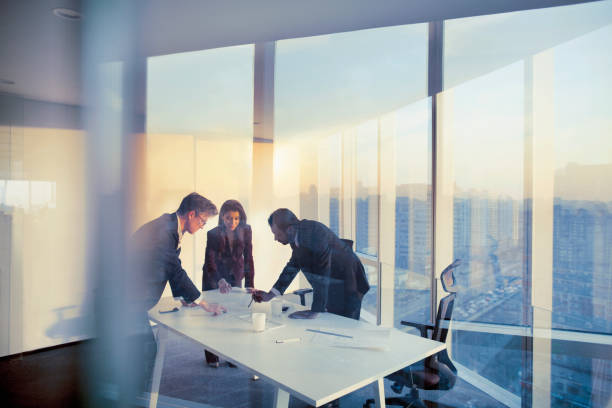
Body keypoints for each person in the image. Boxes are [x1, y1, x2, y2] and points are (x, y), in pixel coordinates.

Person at [128, 192, 227, 390]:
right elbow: (175, 268)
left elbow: (170, 265)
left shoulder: (169, 226)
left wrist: (183, 296)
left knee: (142, 351)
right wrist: (203, 303)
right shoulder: (163, 232)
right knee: (145, 351)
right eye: (202, 221)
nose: (202, 226)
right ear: (191, 214)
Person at [252, 208, 369, 320]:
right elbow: (292, 267)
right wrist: (270, 294)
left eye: (278, 234)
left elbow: (322, 272)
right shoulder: (296, 237)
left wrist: (315, 311)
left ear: (290, 229)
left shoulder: (315, 234)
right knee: (331, 321)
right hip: (334, 282)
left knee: (345, 326)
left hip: (350, 280)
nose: (275, 238)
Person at [202, 199, 254, 367]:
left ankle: (233, 355)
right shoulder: (213, 234)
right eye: (229, 218)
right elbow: (210, 261)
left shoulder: (246, 230)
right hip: (213, 275)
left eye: (236, 218)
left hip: (235, 274)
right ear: (222, 218)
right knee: (213, 316)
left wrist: (250, 284)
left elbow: (249, 258)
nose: (233, 222)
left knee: (234, 314)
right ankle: (212, 355)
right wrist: (220, 280)